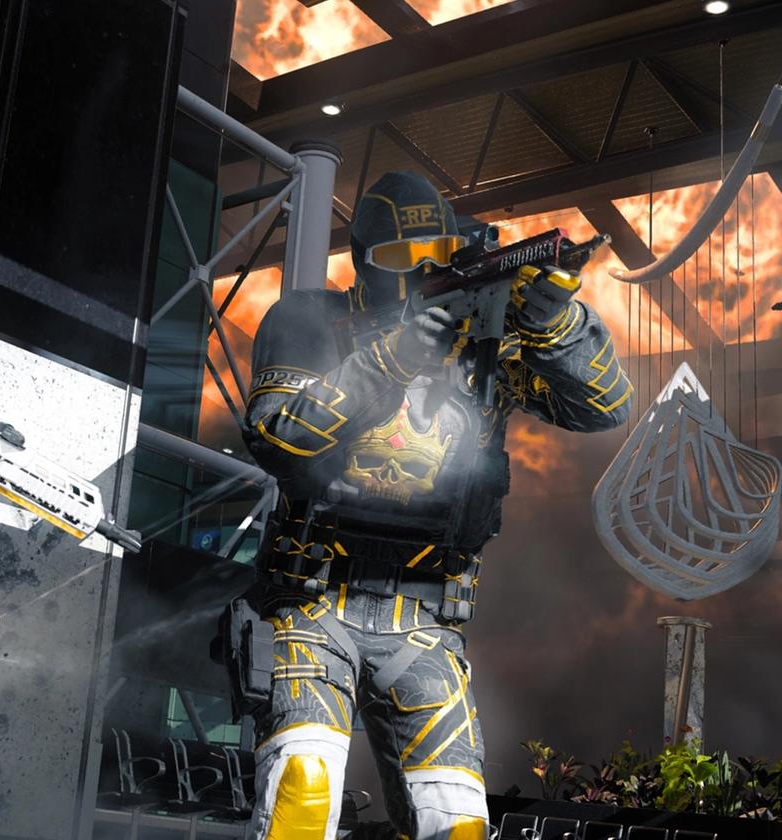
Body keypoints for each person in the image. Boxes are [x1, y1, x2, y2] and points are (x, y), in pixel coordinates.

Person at [231, 170, 631, 840]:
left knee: (457, 824)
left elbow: (605, 407)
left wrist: (555, 326)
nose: (419, 269)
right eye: (400, 257)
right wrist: (387, 362)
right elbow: (277, 439)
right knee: (302, 792)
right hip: (312, 601)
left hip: (423, 619)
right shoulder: (312, 321)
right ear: (366, 260)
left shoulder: (486, 340)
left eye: (434, 253)